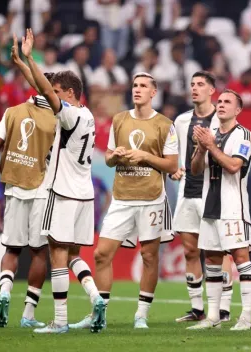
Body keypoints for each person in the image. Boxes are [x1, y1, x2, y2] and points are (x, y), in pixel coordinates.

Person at [71, 72, 178, 330]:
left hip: (151, 198)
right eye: (134, 85)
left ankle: (141, 315)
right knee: (101, 254)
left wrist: (145, 157)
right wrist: (116, 156)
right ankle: (101, 313)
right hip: (122, 197)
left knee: (150, 256)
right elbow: (107, 157)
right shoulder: (119, 119)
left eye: (143, 86)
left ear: (154, 92)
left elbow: (172, 164)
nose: (137, 89)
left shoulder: (165, 124)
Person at [21, 28, 106, 334]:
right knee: (72, 255)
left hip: (63, 192)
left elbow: (48, 93)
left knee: (56, 253)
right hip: (84, 194)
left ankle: (59, 321)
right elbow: (44, 89)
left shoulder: (68, 115)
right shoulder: (87, 115)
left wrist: (31, 57)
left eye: (57, 91)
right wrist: (24, 65)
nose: (52, 95)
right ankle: (96, 297)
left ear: (68, 93)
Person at [0, 38, 56, 328]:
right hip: (42, 189)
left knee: (12, 249)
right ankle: (28, 313)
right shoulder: (57, 117)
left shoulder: (12, 111)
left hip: (14, 187)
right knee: (40, 252)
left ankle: (4, 291)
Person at [188, 89, 251, 331]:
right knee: (213, 261)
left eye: (228, 102)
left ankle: (246, 317)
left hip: (233, 207)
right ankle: (213, 317)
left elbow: (233, 166)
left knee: (240, 259)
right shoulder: (212, 134)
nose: (222, 105)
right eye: (220, 101)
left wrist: (211, 146)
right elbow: (195, 170)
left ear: (238, 110)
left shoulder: (244, 135)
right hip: (210, 206)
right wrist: (201, 148)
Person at [171, 71, 234, 323]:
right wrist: (174, 168)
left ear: (212, 91)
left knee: (220, 251)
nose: (194, 88)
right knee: (189, 250)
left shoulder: (221, 120)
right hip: (187, 191)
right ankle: (197, 308)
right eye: (192, 84)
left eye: (200, 85)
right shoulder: (181, 120)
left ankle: (225, 308)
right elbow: (175, 153)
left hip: (214, 191)